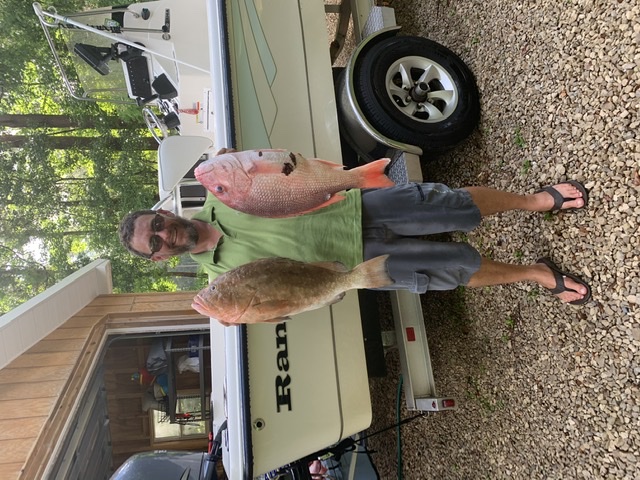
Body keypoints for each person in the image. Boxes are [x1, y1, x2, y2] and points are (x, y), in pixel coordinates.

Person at [118, 180, 591, 305]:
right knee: (449, 270)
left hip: (355, 208)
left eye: (155, 223)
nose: (162, 234)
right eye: (153, 243)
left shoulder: (226, 191)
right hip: (355, 267)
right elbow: (281, 301)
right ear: (159, 258)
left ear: (163, 212)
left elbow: (288, 174)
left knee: (450, 204)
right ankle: (534, 273)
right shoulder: (219, 284)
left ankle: (534, 201)